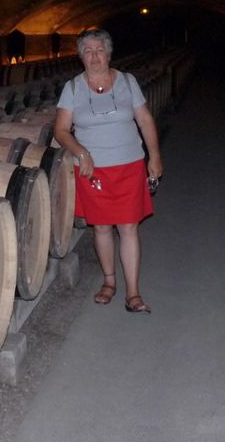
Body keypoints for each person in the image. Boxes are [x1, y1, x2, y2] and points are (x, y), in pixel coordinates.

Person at [53, 28, 163, 314]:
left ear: (109, 53)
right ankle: (109, 283)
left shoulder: (127, 81)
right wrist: (81, 152)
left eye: (99, 50)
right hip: (93, 171)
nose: (93, 56)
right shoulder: (73, 88)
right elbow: (61, 130)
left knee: (128, 227)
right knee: (101, 227)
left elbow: (145, 119)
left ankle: (134, 293)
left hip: (129, 165)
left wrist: (155, 156)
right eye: (87, 51)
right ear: (80, 57)